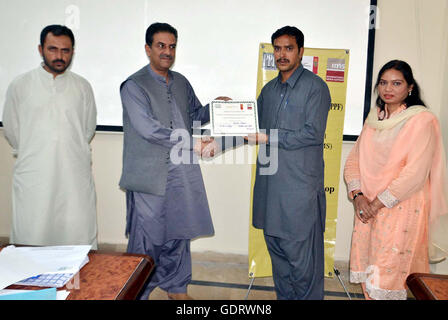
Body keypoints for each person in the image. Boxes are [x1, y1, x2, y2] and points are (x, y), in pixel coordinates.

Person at [119, 22, 225, 300]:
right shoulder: (133, 85)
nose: (167, 52)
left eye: (172, 46)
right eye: (161, 46)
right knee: (148, 238)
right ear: (148, 49)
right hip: (148, 176)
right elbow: (148, 129)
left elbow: (195, 117)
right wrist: (192, 142)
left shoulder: (180, 82)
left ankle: (177, 288)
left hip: (181, 173)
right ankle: (136, 292)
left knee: (179, 231)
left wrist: (216, 108)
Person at [344, 60, 448, 300]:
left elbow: (415, 173)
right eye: (383, 83)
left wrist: (376, 204)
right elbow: (353, 161)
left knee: (388, 278)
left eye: (396, 83)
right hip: (367, 208)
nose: (388, 89)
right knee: (369, 273)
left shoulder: (421, 120)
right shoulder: (375, 119)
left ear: (410, 87)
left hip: (400, 207)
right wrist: (358, 197)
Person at [245, 26, 331, 299]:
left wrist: (266, 137)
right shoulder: (269, 91)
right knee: (280, 267)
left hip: (299, 197)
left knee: (304, 271)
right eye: (278, 48)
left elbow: (312, 133)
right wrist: (219, 135)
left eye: (289, 48)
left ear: (301, 52)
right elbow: (250, 127)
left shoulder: (315, 88)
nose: (282, 54)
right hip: (271, 194)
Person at [2, 25, 98, 248]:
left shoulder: (82, 86)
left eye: (65, 50)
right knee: (32, 231)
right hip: (34, 173)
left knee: (77, 231)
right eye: (53, 49)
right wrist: (36, 150)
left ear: (73, 52)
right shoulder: (20, 85)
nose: (59, 56)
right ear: (40, 49)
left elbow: (87, 128)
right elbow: (12, 129)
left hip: (73, 173)